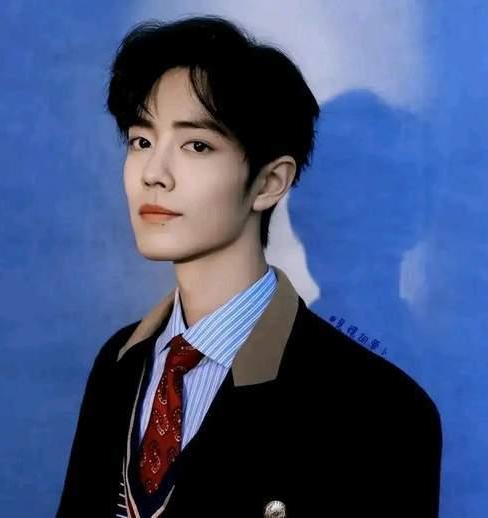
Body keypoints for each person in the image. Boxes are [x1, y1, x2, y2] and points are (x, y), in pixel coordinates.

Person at [56, 15, 442, 518]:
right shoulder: (118, 364)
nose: (154, 173)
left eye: (196, 145)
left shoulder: (382, 411)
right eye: (141, 141)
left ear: (269, 182)